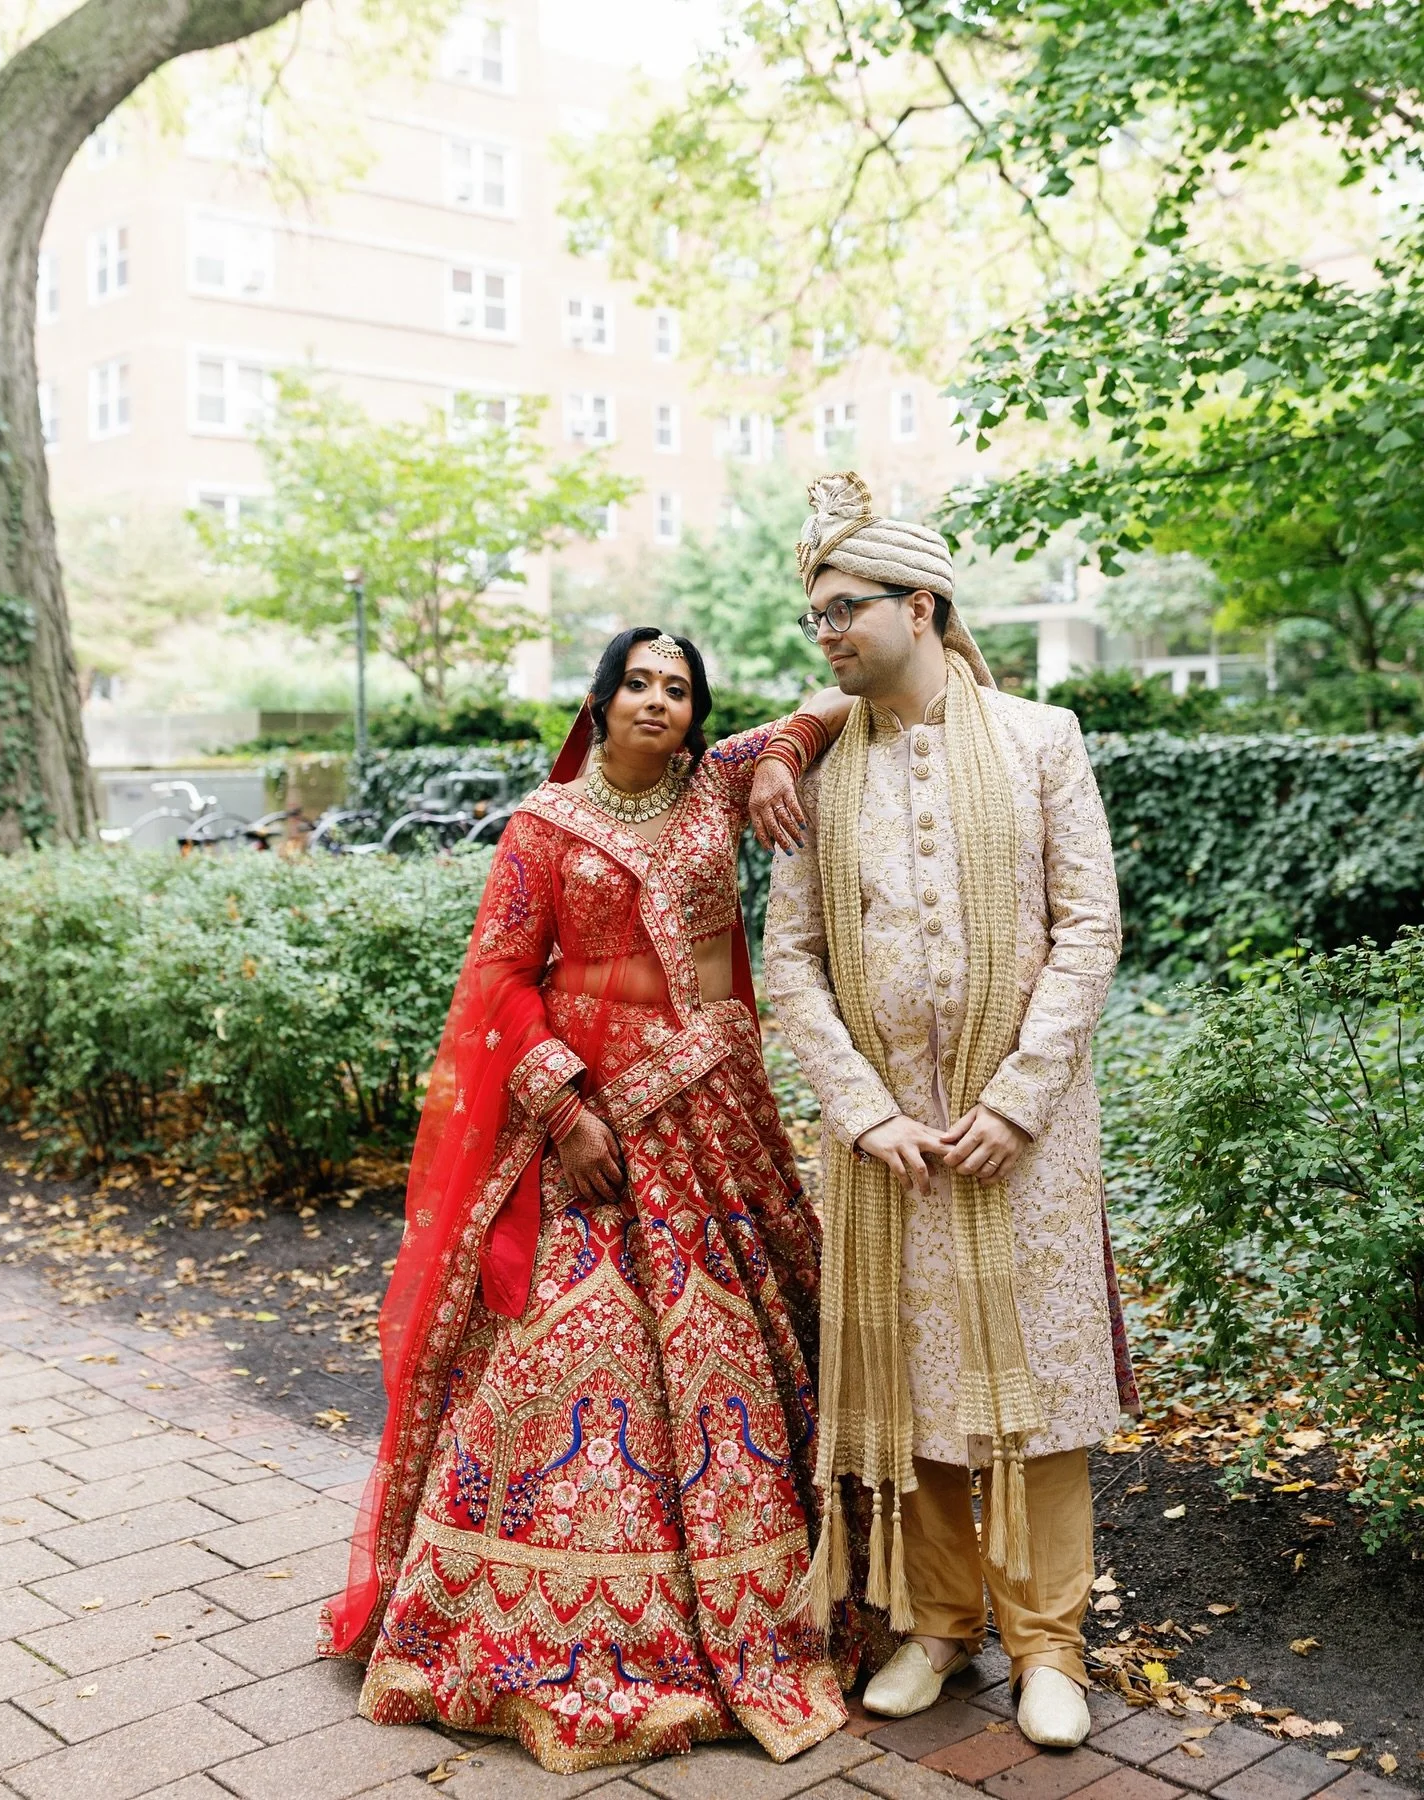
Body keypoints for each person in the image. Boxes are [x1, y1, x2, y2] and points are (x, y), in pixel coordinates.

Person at [319, 628, 860, 1773]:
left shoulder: (720, 781)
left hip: (714, 1118)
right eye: (640, 684)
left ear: (696, 713)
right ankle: (527, 1628)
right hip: (593, 1129)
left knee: (739, 1350)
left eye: (680, 688)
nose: (659, 700)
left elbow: (832, 699)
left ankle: (769, 1604)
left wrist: (781, 755)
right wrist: (563, 1109)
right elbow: (499, 976)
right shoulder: (542, 825)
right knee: (566, 1355)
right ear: (600, 702)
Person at [765, 473, 1139, 1749]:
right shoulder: (811, 775)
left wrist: (1022, 1100)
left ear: (921, 606)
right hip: (888, 1147)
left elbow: (1090, 929)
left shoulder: (1043, 736)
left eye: (840, 610)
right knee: (914, 1381)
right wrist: (864, 1112)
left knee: (1029, 1388)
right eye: (814, 615)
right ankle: (937, 1625)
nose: (823, 635)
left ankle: (1050, 1647)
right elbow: (793, 961)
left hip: (1022, 1138)